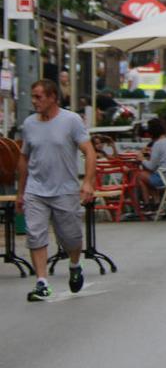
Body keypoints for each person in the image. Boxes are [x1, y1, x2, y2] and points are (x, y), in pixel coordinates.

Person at [16, 80, 96, 302]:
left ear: (52, 97)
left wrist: (87, 182)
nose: (34, 101)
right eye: (33, 96)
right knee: (35, 233)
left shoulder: (71, 120)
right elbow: (24, 158)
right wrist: (21, 192)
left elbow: (89, 151)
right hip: (36, 190)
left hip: (65, 190)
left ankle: (74, 264)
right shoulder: (29, 123)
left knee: (71, 238)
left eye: (38, 97)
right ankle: (42, 282)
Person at [135, 118, 166, 217]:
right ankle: (157, 202)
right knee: (152, 177)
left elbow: (151, 166)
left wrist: (141, 159)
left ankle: (148, 205)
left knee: (140, 176)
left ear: (151, 133)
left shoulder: (157, 144)